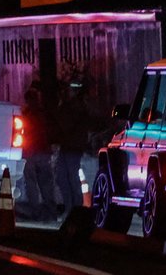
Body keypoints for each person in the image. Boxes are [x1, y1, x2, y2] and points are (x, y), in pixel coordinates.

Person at [53, 78, 97, 223]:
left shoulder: (76, 107)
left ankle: (75, 211)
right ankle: (70, 209)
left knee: (71, 179)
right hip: (68, 147)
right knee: (62, 178)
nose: (68, 92)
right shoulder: (74, 106)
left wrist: (61, 107)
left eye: (71, 90)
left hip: (73, 148)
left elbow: (66, 124)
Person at [17, 82, 59, 220]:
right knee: (45, 183)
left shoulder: (26, 114)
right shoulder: (44, 114)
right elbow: (50, 131)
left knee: (32, 184)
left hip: (30, 151)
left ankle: (36, 211)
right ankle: (50, 211)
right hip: (42, 151)